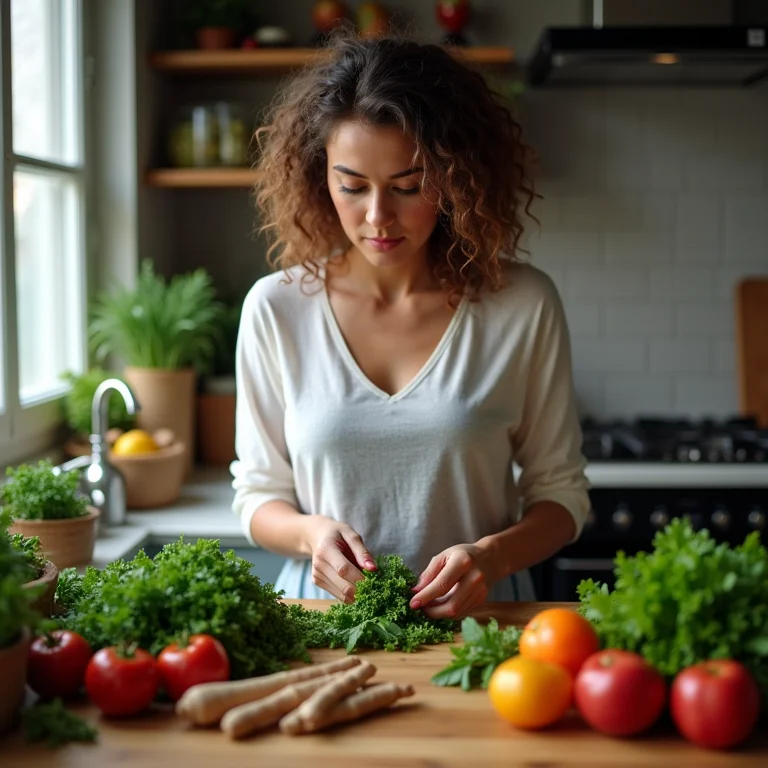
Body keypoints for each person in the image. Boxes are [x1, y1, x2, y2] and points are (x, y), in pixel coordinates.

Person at [231, 31, 590, 620]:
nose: (377, 217)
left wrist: (492, 558)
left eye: (408, 186)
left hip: (483, 630)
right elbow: (257, 495)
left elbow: (562, 496)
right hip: (324, 631)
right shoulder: (276, 309)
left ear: (453, 178)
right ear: (320, 176)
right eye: (351, 185)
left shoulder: (522, 304)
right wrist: (309, 535)